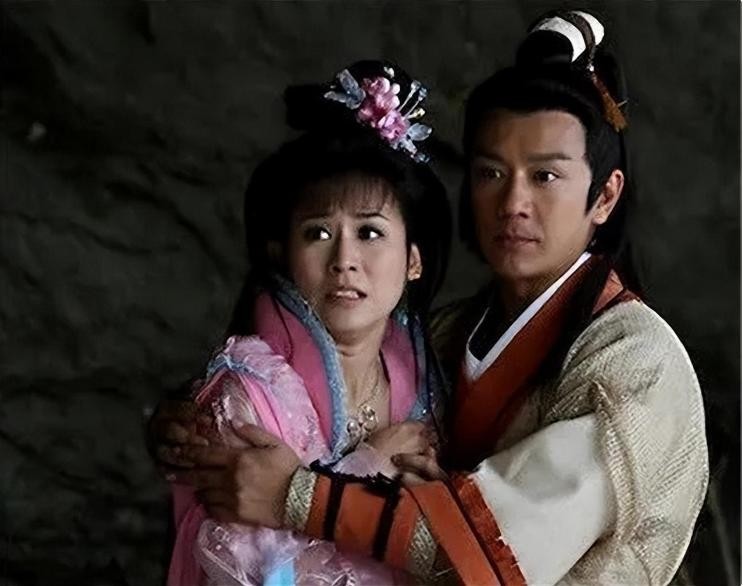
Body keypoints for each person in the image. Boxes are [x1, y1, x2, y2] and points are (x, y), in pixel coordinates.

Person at [155, 11, 708, 585]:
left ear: (605, 195)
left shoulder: (635, 364)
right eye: (492, 173)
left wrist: (294, 494)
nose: (513, 203)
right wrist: (201, 422)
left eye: (544, 176)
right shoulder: (439, 337)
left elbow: (499, 550)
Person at [164, 60, 452, 585]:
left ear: (414, 260)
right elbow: (249, 575)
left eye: (369, 233)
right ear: (284, 255)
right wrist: (368, 470)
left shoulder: (428, 384)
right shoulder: (246, 397)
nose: (344, 260)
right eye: (318, 233)